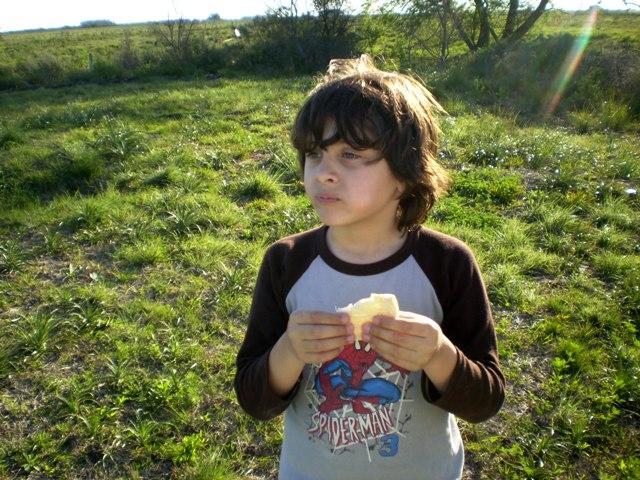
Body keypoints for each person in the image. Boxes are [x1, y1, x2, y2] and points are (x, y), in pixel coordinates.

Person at [234, 54, 504, 480]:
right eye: (314, 154)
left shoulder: (448, 264)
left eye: (351, 154)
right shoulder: (286, 262)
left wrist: (438, 355)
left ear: (406, 171)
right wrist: (290, 351)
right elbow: (254, 400)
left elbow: (485, 401)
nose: (323, 173)